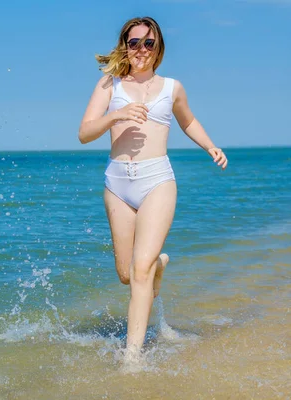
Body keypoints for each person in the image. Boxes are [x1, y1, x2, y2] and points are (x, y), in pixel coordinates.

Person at [78, 16, 228, 363]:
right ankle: (159, 263)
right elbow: (84, 132)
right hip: (117, 184)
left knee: (140, 269)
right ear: (124, 46)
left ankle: (133, 357)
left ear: (158, 47)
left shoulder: (171, 87)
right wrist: (116, 116)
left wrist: (210, 146)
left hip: (157, 180)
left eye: (149, 43)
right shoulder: (109, 85)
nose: (141, 49)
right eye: (135, 43)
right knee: (128, 274)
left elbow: (187, 120)